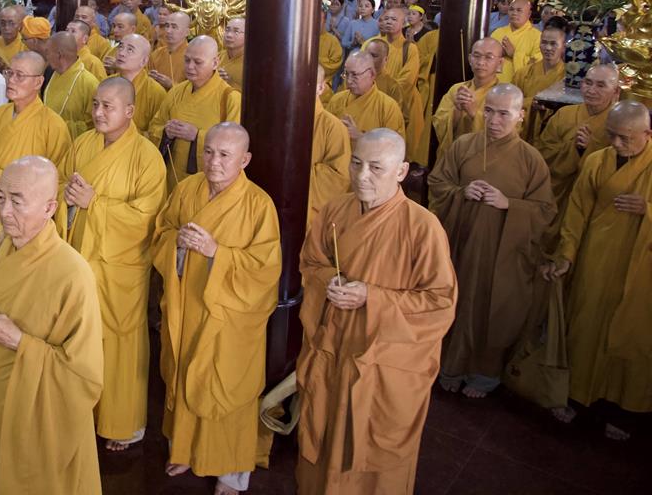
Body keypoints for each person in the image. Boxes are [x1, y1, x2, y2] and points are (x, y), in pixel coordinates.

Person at [296, 129, 457, 494]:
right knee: (321, 442)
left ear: (401, 171)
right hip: (333, 351)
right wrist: (329, 281)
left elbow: (440, 303)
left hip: (382, 363)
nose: (361, 176)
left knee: (373, 461)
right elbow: (310, 262)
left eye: (375, 167)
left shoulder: (423, 227)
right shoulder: (335, 210)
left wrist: (372, 297)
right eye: (356, 163)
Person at [0, 156, 104, 495]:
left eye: (17, 202)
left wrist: (19, 341)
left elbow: (84, 376)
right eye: (1, 198)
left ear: (50, 208)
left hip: (30, 410)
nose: (4, 211)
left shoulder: (73, 274)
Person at [153, 123, 281, 493]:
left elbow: (265, 271)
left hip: (229, 318)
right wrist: (176, 243)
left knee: (227, 387)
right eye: (208, 151)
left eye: (225, 155)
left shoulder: (259, 205)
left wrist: (216, 254)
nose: (214, 162)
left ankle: (230, 472)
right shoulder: (186, 189)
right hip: (185, 308)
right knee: (183, 374)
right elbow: (161, 232)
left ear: (245, 160)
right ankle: (184, 449)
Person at [428, 84, 556, 398]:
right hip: (463, 245)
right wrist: (461, 193)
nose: (494, 120)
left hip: (503, 253)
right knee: (457, 302)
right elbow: (437, 183)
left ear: (520, 116)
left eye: (503, 114)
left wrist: (509, 204)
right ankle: (449, 366)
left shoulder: (531, 159)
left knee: (495, 309)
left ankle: (484, 374)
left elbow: (545, 211)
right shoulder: (463, 145)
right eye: (488, 111)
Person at [66, 78, 166, 451]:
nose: (98, 112)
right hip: (80, 259)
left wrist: (95, 204)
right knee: (79, 337)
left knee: (121, 345)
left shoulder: (146, 157)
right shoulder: (83, 143)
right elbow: (62, 187)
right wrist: (67, 197)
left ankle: (123, 424)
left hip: (120, 268)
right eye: (95, 104)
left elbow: (146, 219)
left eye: (108, 106)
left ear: (130, 111)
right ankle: (82, 413)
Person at [543, 101, 652, 441]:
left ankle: (621, 411)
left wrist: (648, 209)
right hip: (595, 259)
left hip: (640, 268)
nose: (616, 144)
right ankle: (575, 397)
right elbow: (576, 214)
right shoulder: (595, 161)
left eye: (625, 138)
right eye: (612, 136)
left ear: (647, 134)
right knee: (584, 326)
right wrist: (566, 255)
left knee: (631, 338)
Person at [0, 51, 73, 259]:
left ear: (38, 82)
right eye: (9, 73)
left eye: (20, 75)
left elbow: (58, 180)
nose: (11, 80)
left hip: (25, 221)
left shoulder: (53, 125)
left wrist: (4, 179)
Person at [149, 36, 242, 193]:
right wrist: (166, 132)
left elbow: (234, 146)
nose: (190, 67)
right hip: (171, 177)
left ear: (215, 63)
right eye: (187, 60)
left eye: (198, 62)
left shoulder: (230, 98)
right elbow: (155, 126)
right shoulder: (176, 91)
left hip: (208, 184)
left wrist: (197, 135)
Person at [534, 63, 623, 211]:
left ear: (616, 92)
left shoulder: (618, 125)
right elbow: (542, 153)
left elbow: (616, 171)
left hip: (588, 199)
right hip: (553, 191)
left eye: (601, 85)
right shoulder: (564, 114)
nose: (591, 90)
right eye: (588, 83)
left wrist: (590, 148)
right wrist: (572, 148)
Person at [431, 37, 503, 154]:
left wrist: (474, 114)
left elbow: (506, 134)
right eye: (476, 56)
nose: (481, 62)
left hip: (483, 158)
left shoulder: (504, 95)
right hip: (453, 155)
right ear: (470, 59)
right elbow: (438, 123)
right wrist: (456, 111)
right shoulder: (456, 89)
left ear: (500, 63)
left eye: (489, 57)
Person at [375, 6, 425, 161]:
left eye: (394, 19)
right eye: (386, 18)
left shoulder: (409, 48)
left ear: (404, 24)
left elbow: (407, 79)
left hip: (404, 101)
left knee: (400, 146)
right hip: (376, 100)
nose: (389, 22)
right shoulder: (374, 44)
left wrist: (387, 94)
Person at [325, 50, 405, 141]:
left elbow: (395, 146)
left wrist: (360, 137)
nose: (349, 81)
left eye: (355, 75)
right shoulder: (336, 100)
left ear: (371, 74)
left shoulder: (388, 108)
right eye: (346, 74)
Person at [513, 19, 567, 140]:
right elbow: (511, 103)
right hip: (524, 131)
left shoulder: (568, 77)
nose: (548, 48)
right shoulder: (523, 73)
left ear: (563, 47)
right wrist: (531, 102)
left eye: (553, 44)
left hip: (552, 131)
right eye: (544, 42)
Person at [311, 69, 351, 224]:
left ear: (321, 88)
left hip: (311, 217)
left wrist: (289, 176)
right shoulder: (276, 119)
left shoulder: (333, 128)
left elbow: (338, 178)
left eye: (307, 83)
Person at [44, 31, 100, 138]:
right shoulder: (50, 74)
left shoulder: (89, 83)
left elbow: (94, 126)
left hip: (74, 144)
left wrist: (57, 126)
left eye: (48, 53)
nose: (46, 57)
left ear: (59, 55)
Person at [112, 34, 165, 139]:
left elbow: (156, 134)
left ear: (144, 61)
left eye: (130, 50)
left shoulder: (156, 92)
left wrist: (122, 133)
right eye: (120, 47)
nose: (121, 53)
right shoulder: (107, 83)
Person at [491, 0, 541, 82]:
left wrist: (514, 54)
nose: (514, 13)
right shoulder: (498, 32)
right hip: (495, 84)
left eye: (519, 10)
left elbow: (538, 66)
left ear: (529, 14)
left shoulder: (538, 36)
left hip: (521, 86)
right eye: (511, 9)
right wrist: (497, 53)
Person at [149, 10, 191, 90]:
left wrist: (172, 85)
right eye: (167, 26)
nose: (168, 31)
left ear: (187, 32)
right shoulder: (156, 54)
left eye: (174, 27)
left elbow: (195, 89)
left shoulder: (193, 56)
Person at [0, 5, 27, 71]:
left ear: (19, 26)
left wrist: (3, 69)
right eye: (3, 23)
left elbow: (25, 73)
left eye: (12, 23)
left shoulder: (25, 45)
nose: (6, 28)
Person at [319, 11, 344, 96]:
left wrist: (316, 62)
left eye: (319, 19)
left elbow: (335, 65)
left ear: (325, 20)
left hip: (324, 83)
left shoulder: (332, 41)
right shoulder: (302, 38)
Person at [217, 17, 245, 92]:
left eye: (236, 31)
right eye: (227, 30)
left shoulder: (252, 64)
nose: (229, 35)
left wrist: (230, 83)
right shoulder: (217, 56)